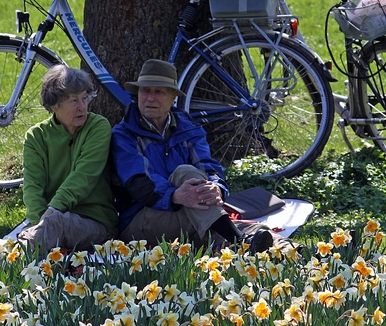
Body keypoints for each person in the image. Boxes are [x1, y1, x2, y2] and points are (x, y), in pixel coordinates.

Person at [110, 59, 274, 253]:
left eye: (158, 92)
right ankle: (239, 239)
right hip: (141, 220)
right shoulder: (124, 135)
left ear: (173, 98)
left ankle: (291, 251)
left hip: (191, 211)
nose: (150, 98)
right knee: (189, 179)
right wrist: (174, 196)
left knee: (251, 231)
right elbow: (139, 182)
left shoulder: (188, 128)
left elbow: (207, 166)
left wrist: (216, 188)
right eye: (145, 91)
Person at [18, 65, 118, 255]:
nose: (82, 107)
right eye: (73, 101)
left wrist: (51, 214)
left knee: (46, 230)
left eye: (84, 98)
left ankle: (16, 262)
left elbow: (83, 177)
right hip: (49, 221)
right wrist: (42, 222)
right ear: (54, 105)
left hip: (95, 222)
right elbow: (32, 188)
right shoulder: (36, 136)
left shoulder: (98, 127)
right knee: (48, 228)